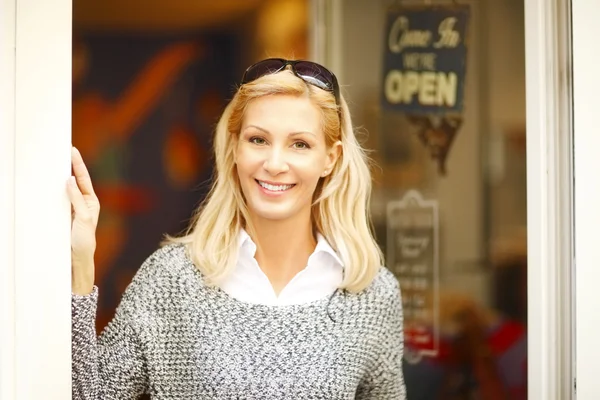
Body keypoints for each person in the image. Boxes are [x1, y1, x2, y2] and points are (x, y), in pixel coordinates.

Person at [69, 58, 407, 399]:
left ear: (330, 159)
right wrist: (82, 264)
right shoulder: (171, 278)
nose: (274, 164)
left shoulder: (372, 294)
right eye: (258, 140)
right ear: (235, 148)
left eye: (300, 144)